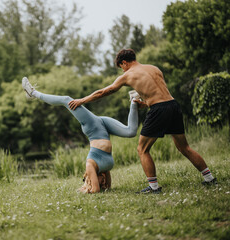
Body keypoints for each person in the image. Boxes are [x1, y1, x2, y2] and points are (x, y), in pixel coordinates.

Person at [68, 48, 217, 194]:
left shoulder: (128, 74)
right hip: (173, 106)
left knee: (142, 149)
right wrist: (145, 104)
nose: (123, 71)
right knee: (184, 147)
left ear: (124, 63)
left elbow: (104, 91)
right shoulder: (154, 68)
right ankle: (209, 178)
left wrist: (82, 100)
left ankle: (153, 188)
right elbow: (160, 94)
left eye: (122, 68)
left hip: (159, 110)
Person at [22, 77, 140, 193]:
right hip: (102, 126)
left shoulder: (90, 165)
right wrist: (101, 185)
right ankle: (134, 100)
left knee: (67, 100)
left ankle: (33, 93)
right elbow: (106, 188)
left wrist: (87, 189)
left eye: (93, 180)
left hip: (93, 127)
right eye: (100, 181)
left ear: (89, 179)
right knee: (130, 132)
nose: (101, 181)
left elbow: (95, 190)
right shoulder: (105, 169)